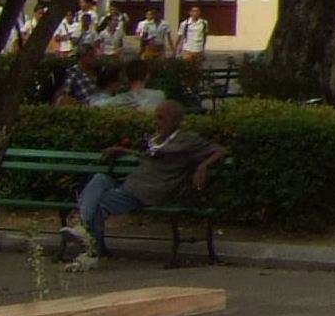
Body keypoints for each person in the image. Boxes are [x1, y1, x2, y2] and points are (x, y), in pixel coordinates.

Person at [67, 100, 224, 258]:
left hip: (149, 190)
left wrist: (202, 166)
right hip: (131, 185)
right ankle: (85, 232)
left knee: (95, 203)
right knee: (99, 179)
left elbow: (220, 150)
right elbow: (148, 156)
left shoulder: (188, 140)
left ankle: (89, 242)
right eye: (156, 118)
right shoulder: (157, 139)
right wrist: (123, 150)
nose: (157, 123)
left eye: (161, 118)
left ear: (175, 120)